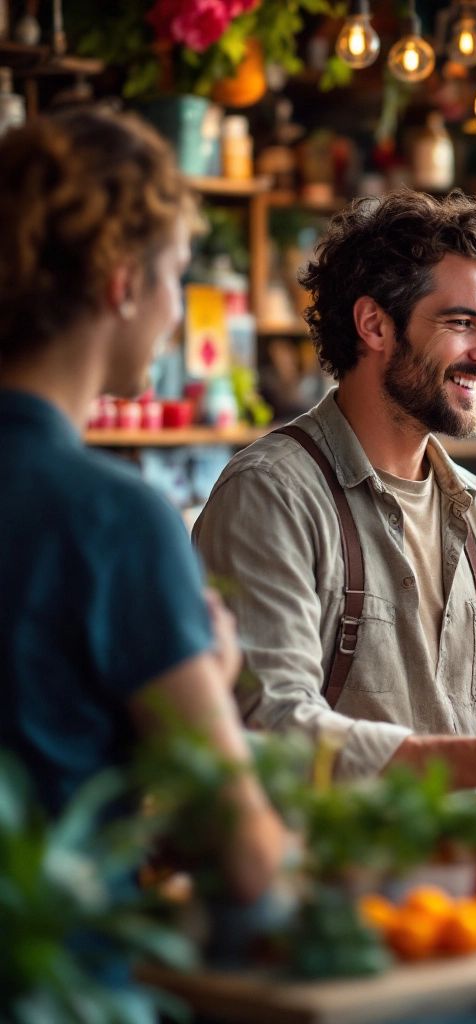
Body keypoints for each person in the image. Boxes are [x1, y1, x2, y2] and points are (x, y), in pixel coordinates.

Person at [193, 189, 476, 788]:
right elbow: (272, 726)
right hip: (324, 871)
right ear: (375, 325)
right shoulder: (272, 496)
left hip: (470, 872)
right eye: (462, 323)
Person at [0, 108, 286, 907]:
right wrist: (212, 674)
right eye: (177, 273)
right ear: (123, 282)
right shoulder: (113, 518)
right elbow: (242, 852)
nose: (175, 309)